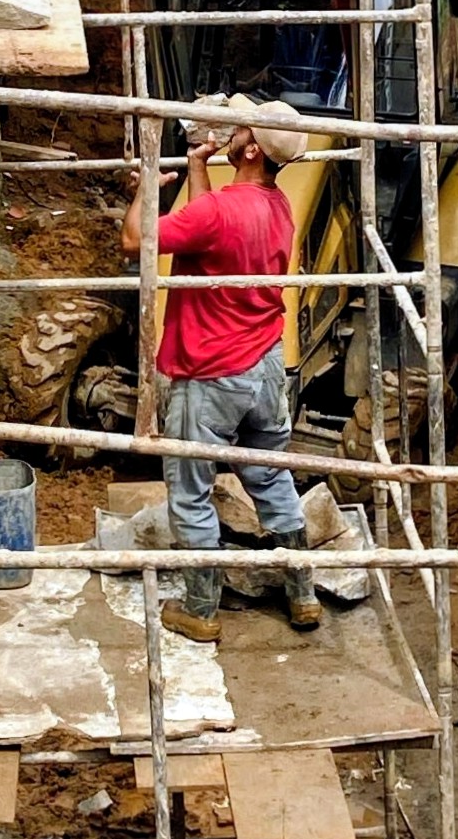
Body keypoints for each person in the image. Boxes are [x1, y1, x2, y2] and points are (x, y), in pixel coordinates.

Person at [121, 94, 321, 642]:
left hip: (209, 372)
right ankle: (302, 595)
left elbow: (135, 240)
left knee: (190, 489)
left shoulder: (218, 214)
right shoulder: (277, 205)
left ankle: (201, 610)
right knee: (270, 474)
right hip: (263, 367)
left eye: (240, 130)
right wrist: (198, 166)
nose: (232, 130)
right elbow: (205, 227)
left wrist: (144, 188)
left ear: (252, 147)